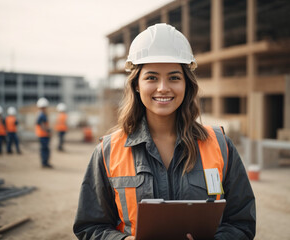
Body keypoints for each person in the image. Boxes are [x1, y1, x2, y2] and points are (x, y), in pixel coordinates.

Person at [74, 23, 255, 240]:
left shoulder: (220, 146)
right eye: (151, 77)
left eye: (174, 77)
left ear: (186, 84)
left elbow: (241, 223)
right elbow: (90, 227)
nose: (162, 87)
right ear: (137, 85)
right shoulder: (108, 151)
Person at [35, 97, 52, 168]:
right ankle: (44, 163)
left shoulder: (40, 114)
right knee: (45, 149)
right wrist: (48, 131)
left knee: (44, 149)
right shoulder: (41, 115)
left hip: (42, 134)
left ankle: (44, 162)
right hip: (43, 135)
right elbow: (42, 124)